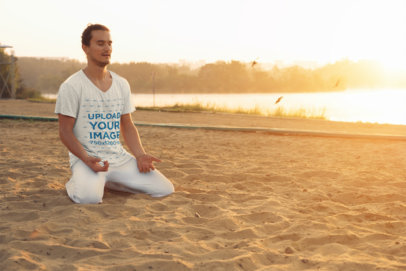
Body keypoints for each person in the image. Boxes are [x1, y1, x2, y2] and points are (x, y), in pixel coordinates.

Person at [55, 24, 174, 204]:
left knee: (164, 189)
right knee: (89, 199)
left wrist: (140, 155)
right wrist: (86, 159)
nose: (107, 48)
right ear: (85, 48)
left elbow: (127, 124)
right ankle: (75, 183)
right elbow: (65, 131)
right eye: (100, 43)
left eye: (109, 43)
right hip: (88, 160)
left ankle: (109, 182)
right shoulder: (72, 86)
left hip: (119, 159)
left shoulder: (121, 84)